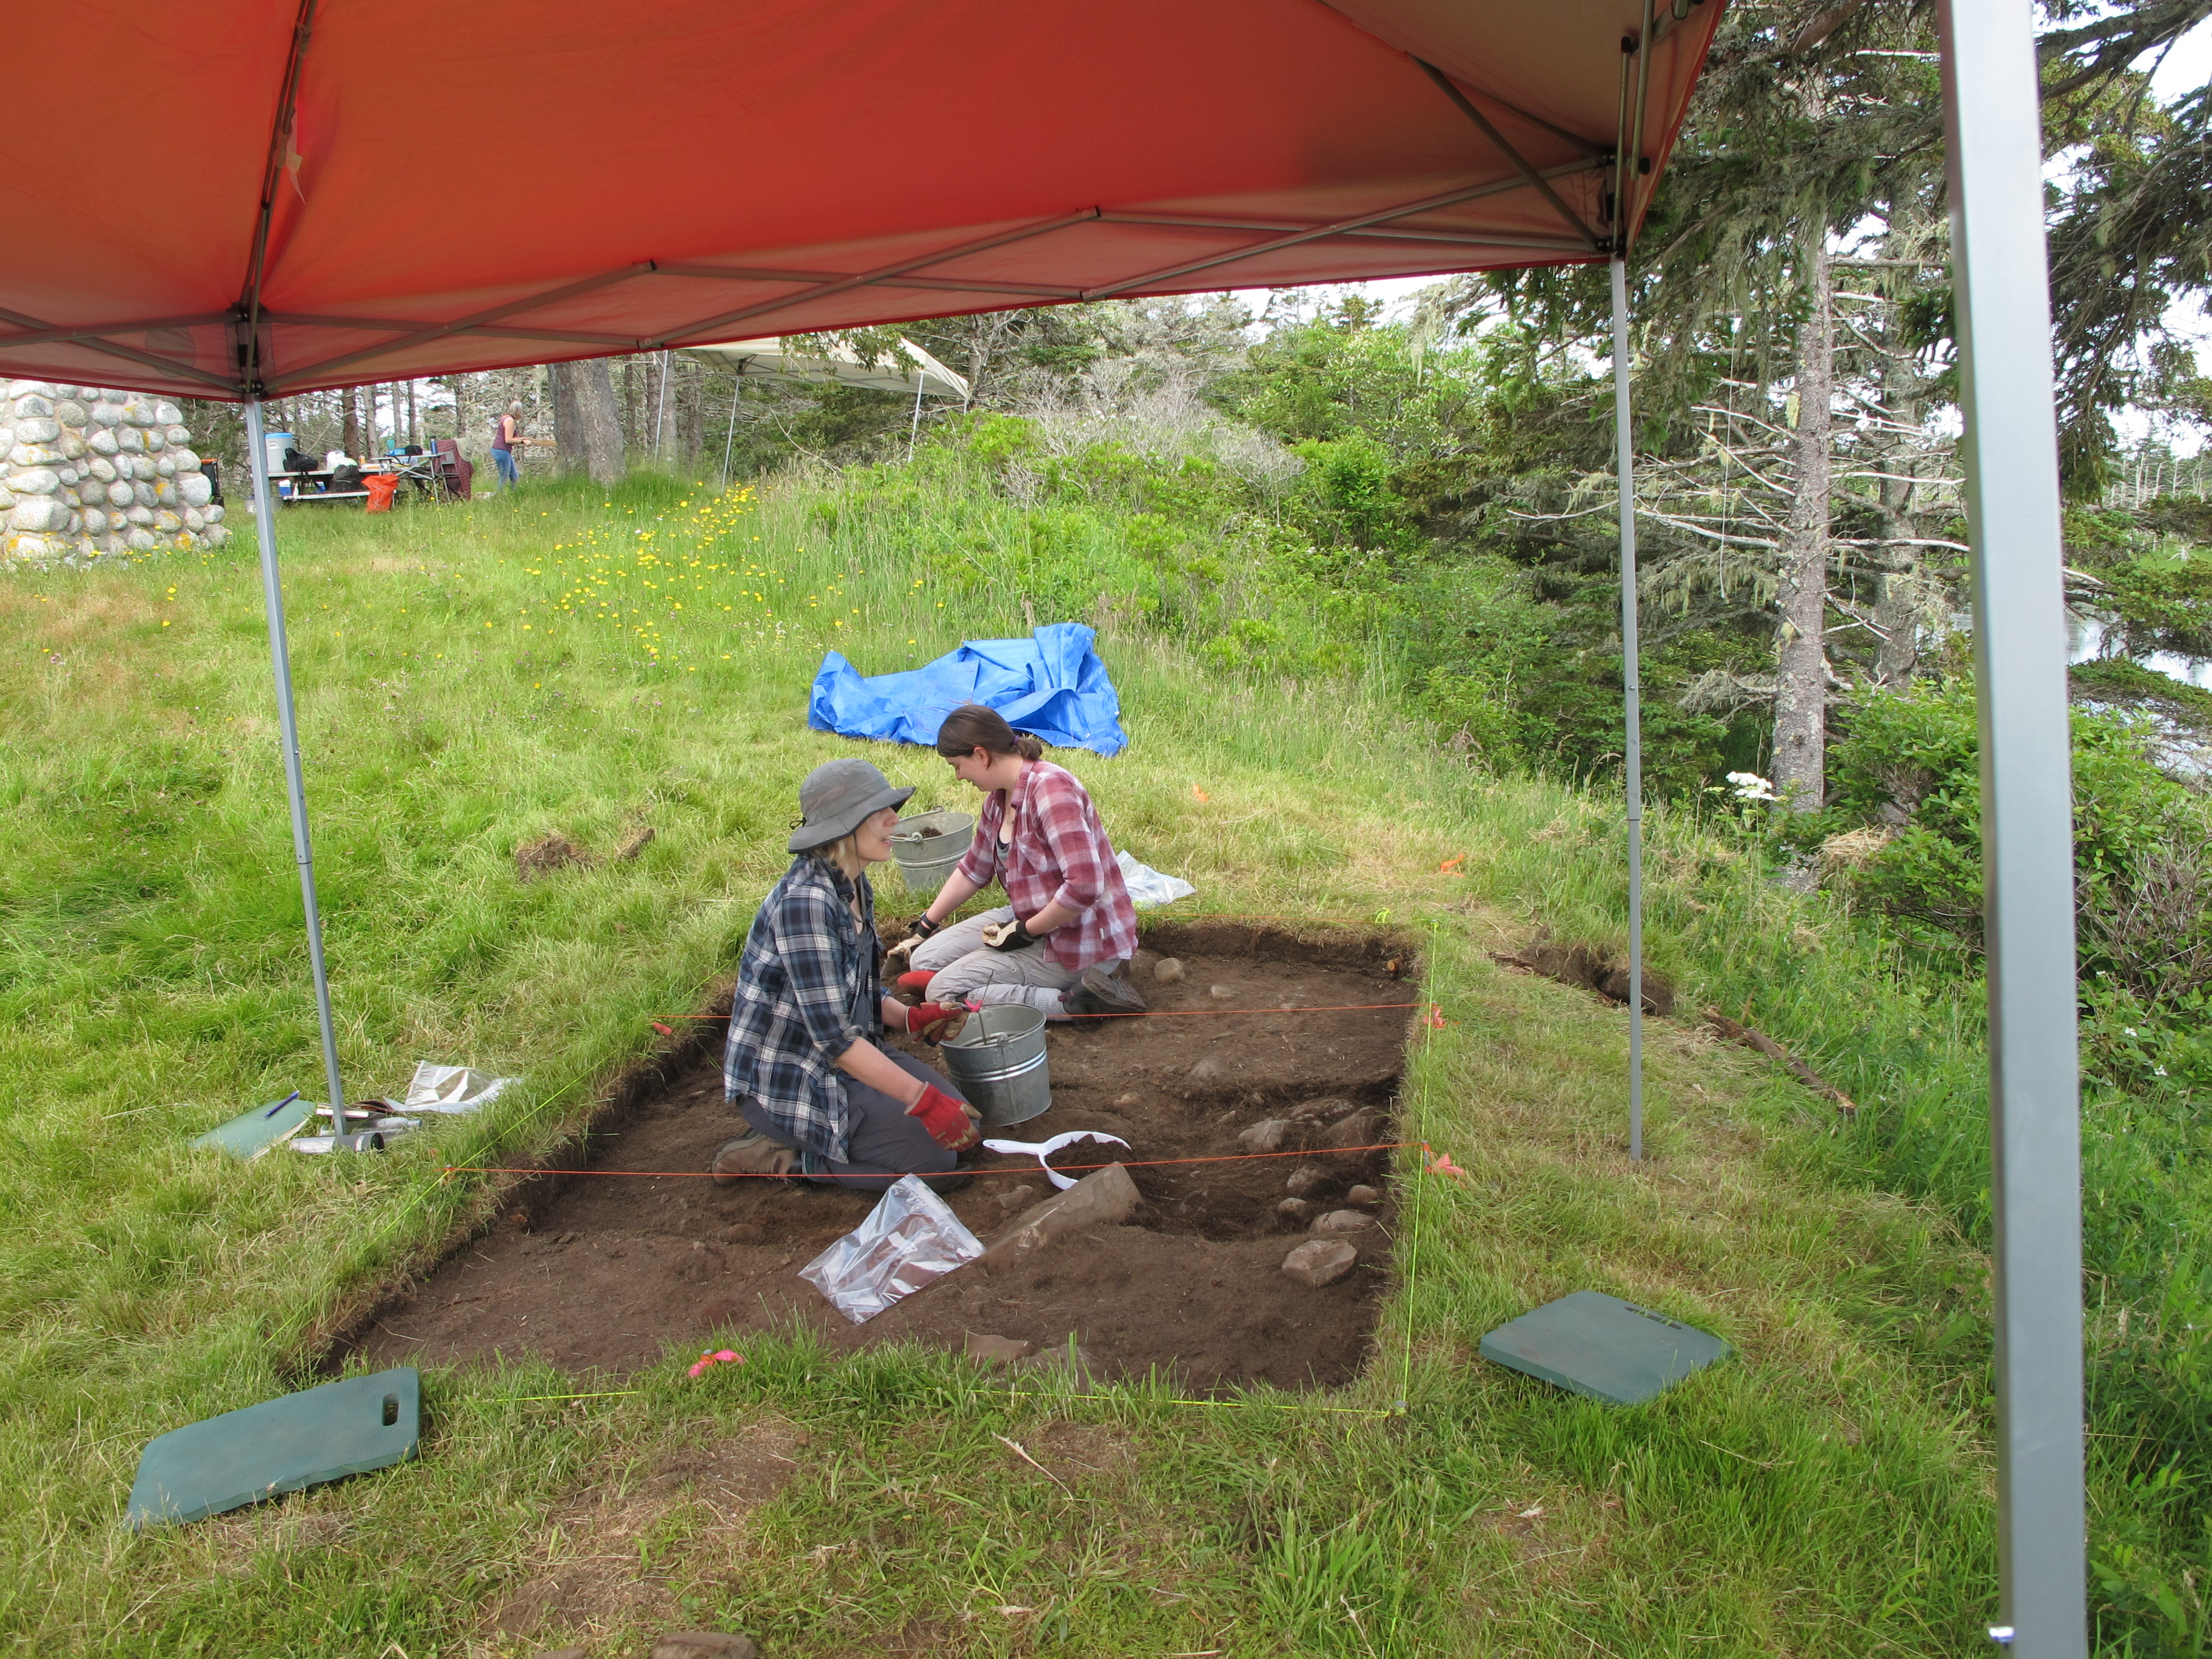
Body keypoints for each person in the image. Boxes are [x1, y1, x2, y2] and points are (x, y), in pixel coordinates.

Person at [714, 757, 982, 1192]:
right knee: (933, 1165)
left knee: (965, 1129)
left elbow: (855, 988)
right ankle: (790, 1158)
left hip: (848, 1056)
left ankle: (852, 1136)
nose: (894, 820)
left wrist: (911, 1019)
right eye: (880, 813)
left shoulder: (853, 884)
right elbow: (835, 1040)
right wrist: (921, 1100)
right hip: (792, 1076)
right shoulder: (806, 904)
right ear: (844, 828)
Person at [888, 705, 1146, 1022]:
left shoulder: (1052, 790)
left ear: (981, 755)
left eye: (957, 765)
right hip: (1034, 918)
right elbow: (974, 869)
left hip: (1081, 939)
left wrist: (1024, 931)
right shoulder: (997, 801)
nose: (958, 776)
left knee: (942, 992)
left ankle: (1081, 1002)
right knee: (923, 960)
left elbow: (1085, 886)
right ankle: (972, 986)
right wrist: (923, 928)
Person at [491, 400, 524, 489]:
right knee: (504, 476)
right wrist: (522, 442)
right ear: (517, 410)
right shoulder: (510, 421)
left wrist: (523, 439)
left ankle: (514, 495)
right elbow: (508, 440)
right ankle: (499, 497)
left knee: (515, 476)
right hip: (501, 450)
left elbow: (510, 437)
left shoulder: (506, 418)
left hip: (503, 450)